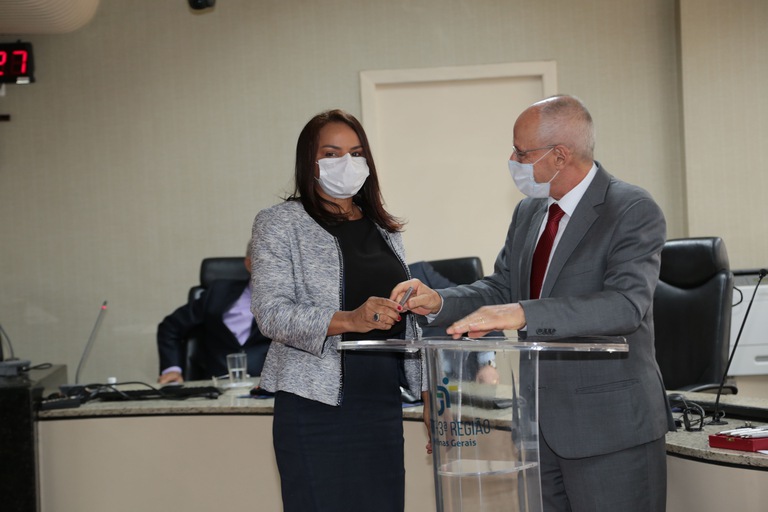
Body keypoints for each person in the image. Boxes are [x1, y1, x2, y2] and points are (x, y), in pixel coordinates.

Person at [392, 95, 675, 511]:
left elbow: (624, 306)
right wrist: (438, 302)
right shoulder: (529, 212)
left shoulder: (630, 208)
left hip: (609, 427)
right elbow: (502, 289)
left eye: (522, 153)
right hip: (536, 429)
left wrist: (524, 313)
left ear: (560, 156)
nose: (512, 160)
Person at [250, 109, 424, 512]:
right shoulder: (279, 223)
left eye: (356, 153)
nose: (346, 162)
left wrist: (429, 391)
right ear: (309, 162)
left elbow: (407, 319)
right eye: (331, 153)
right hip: (315, 406)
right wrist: (350, 319)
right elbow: (271, 313)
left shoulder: (385, 228)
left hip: (381, 403)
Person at [156, 245, 271, 384]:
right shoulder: (218, 292)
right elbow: (170, 326)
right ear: (249, 264)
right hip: (216, 386)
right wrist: (172, 370)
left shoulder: (290, 302)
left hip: (270, 387)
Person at [408, 260, 500, 385]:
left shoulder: (420, 272)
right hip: (412, 384)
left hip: (460, 381)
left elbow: (473, 305)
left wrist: (487, 364)